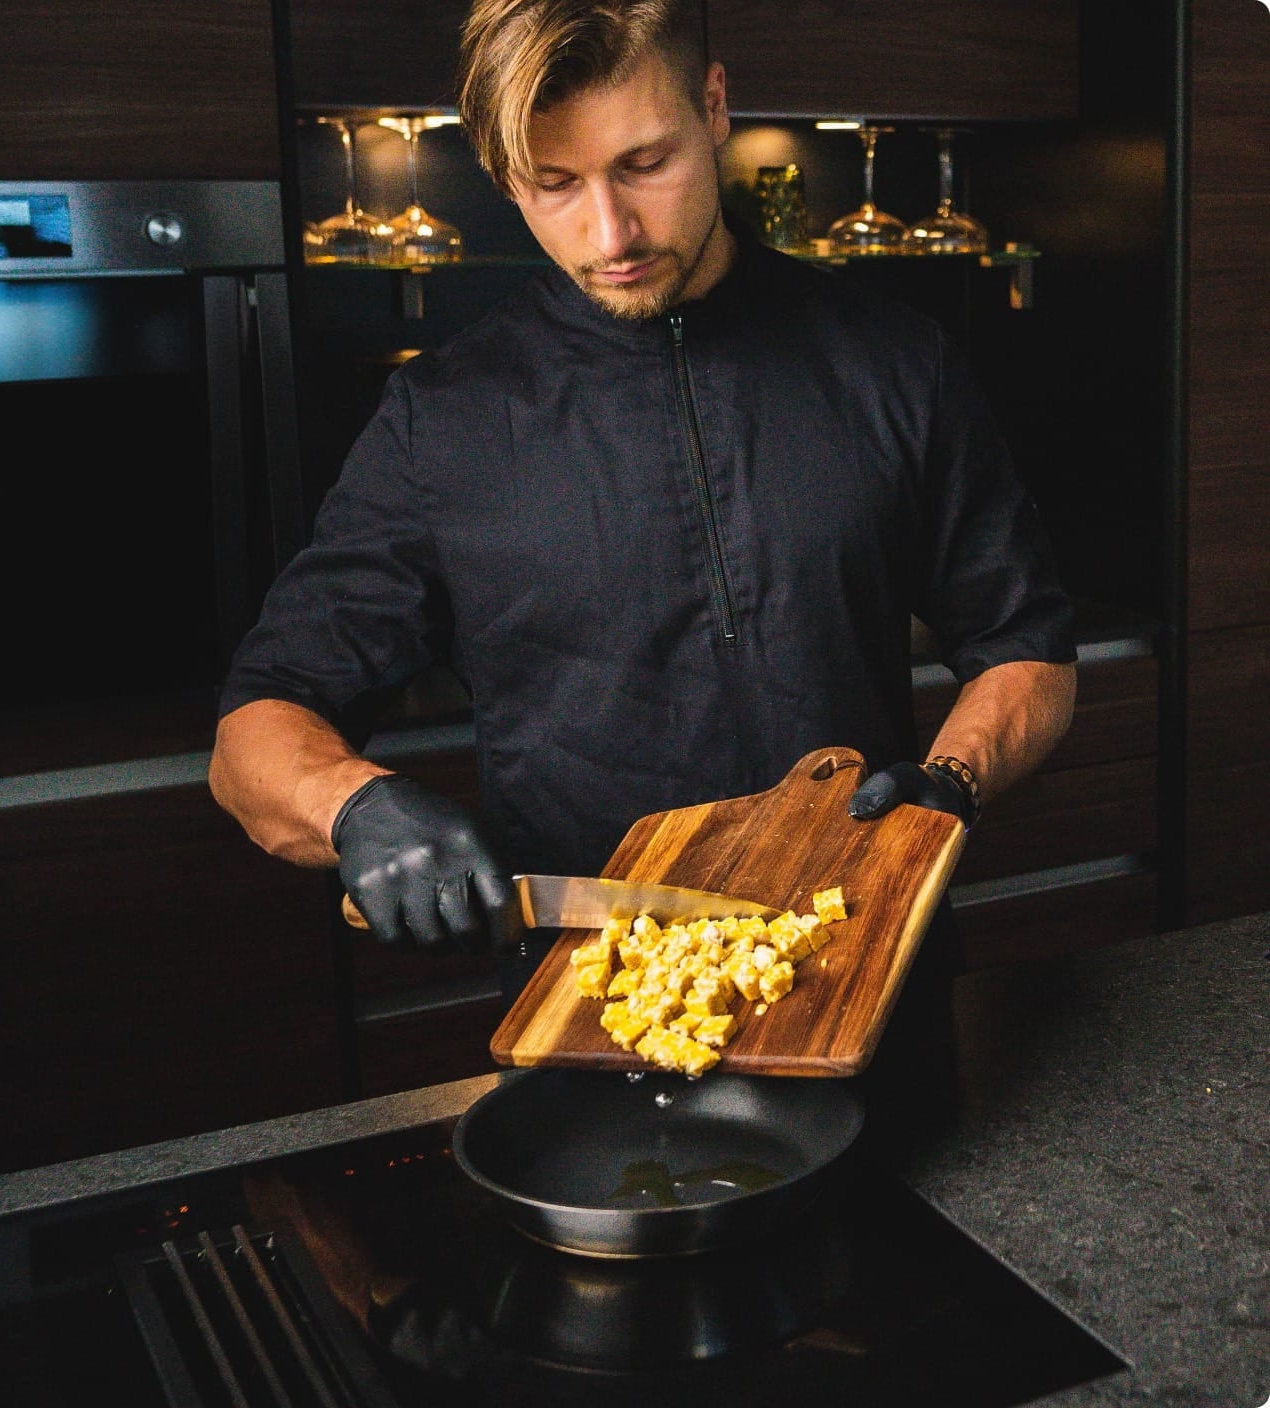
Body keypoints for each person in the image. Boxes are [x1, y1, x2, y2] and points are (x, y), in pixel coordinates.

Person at [209, 0, 1077, 996]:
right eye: (555, 185)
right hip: (590, 1015)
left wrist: (950, 783)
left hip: (870, 976)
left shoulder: (894, 361)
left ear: (712, 104)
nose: (609, 232)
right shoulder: (440, 418)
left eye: (643, 164)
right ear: (500, 174)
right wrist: (351, 804)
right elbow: (253, 733)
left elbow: (1026, 650)